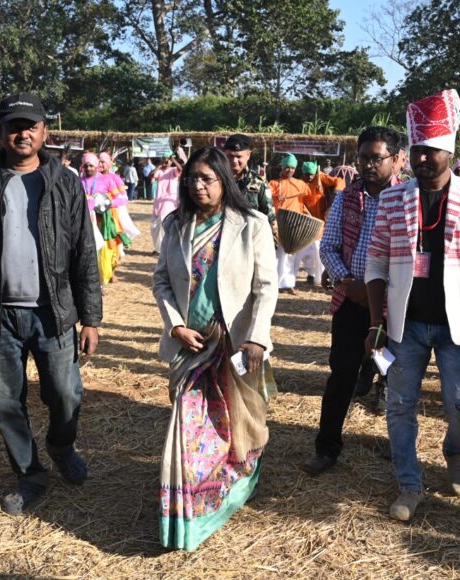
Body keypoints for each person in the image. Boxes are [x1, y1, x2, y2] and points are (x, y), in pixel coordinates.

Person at [0, 93, 102, 514]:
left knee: (66, 394)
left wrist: (91, 317)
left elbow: (84, 251)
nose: (22, 134)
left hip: (53, 311)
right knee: (7, 403)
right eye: (14, 126)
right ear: (0, 132)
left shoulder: (64, 181)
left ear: (44, 132)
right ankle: (30, 474)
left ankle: (61, 445)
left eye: (30, 126)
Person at [364, 89, 460, 521]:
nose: (423, 159)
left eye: (431, 151)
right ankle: (409, 484)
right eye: (417, 151)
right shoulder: (393, 198)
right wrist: (375, 321)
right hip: (405, 326)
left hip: (457, 325)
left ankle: (454, 453)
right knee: (399, 406)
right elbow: (376, 260)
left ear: (450, 151)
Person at [152, 146, 277, 551]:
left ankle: (234, 484)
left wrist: (256, 337)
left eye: (207, 178)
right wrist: (176, 326)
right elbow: (162, 281)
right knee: (189, 429)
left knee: (238, 424)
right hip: (190, 346)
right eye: (192, 178)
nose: (198, 186)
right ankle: (190, 517)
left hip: (235, 343)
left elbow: (266, 287)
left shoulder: (251, 224)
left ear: (224, 181)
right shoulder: (176, 225)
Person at [303, 126, 402, 476]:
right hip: (350, 299)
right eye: (363, 158)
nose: (369, 165)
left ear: (396, 159)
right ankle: (327, 447)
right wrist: (348, 281)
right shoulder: (346, 198)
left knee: (397, 378)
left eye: (377, 158)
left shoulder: (407, 199)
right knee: (341, 375)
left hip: (395, 305)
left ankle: (399, 446)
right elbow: (328, 246)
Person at [270, 154, 322, 293]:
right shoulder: (274, 184)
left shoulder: (300, 184)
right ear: (282, 167)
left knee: (293, 256)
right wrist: (276, 197)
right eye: (287, 167)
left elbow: (311, 201)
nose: (290, 170)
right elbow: (267, 201)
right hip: (280, 225)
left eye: (292, 168)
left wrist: (317, 191)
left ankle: (288, 284)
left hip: (295, 225)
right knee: (279, 255)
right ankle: (276, 284)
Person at [84, 152, 132, 283]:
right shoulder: (79, 181)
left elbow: (123, 198)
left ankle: (108, 275)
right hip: (87, 219)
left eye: (102, 162)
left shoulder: (112, 179)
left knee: (111, 249)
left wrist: (107, 203)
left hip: (107, 220)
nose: (100, 164)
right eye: (86, 166)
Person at [298, 160, 344, 287]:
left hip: (321, 221)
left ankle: (321, 276)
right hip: (306, 220)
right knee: (304, 250)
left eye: (311, 174)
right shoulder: (300, 183)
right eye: (307, 174)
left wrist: (333, 201)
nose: (309, 177)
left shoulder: (321, 177)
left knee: (318, 249)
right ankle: (311, 274)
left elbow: (340, 182)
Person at [223, 134, 276, 234]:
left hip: (250, 236)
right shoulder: (216, 180)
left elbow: (269, 216)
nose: (234, 161)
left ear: (248, 155)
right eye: (230, 156)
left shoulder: (257, 182)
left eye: (239, 156)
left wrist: (273, 238)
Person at [150, 154, 181, 253]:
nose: (167, 162)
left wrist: (173, 160)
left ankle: (162, 249)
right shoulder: (159, 171)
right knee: (155, 227)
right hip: (159, 201)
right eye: (165, 160)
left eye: (169, 160)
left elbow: (181, 169)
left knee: (164, 224)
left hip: (169, 202)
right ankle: (158, 248)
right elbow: (151, 174)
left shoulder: (173, 170)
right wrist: (160, 164)